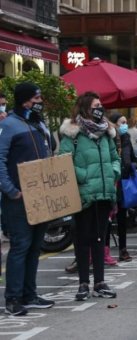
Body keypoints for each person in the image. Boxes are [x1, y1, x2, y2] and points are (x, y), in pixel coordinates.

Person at [0, 82, 55, 315]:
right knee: (21, 246)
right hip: (18, 199)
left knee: (34, 248)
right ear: (24, 100)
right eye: (36, 98)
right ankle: (13, 298)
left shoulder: (37, 124)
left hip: (39, 197)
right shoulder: (9, 126)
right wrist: (11, 190)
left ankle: (29, 294)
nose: (39, 102)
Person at [59, 91, 119, 301]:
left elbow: (115, 158)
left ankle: (100, 282)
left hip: (104, 194)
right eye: (95, 105)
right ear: (85, 108)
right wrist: (84, 176)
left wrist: (114, 172)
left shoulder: (106, 132)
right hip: (84, 194)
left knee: (100, 238)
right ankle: (83, 283)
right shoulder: (73, 134)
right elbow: (63, 161)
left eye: (101, 105)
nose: (99, 108)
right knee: (83, 239)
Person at [108, 112, 137, 263]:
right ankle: (105, 250)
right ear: (113, 124)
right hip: (113, 181)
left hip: (124, 182)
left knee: (122, 217)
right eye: (122, 122)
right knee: (108, 218)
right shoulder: (109, 138)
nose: (125, 125)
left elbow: (132, 157)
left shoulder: (126, 138)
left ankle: (123, 249)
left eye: (126, 122)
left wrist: (133, 164)